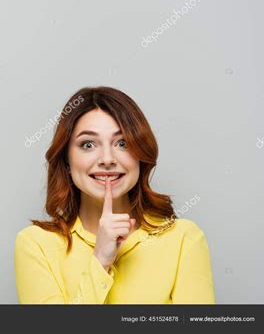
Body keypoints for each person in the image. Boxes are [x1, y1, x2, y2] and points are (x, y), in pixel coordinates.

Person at [14, 86, 215, 304]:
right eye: (88, 144)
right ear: (66, 161)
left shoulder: (184, 239)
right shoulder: (35, 244)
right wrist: (100, 261)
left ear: (140, 155)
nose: (107, 159)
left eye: (122, 143)